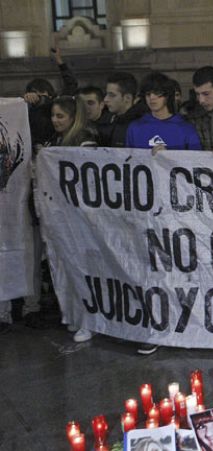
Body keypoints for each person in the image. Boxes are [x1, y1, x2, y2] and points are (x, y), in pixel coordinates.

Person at [44, 96, 97, 342]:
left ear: (73, 118)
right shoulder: (60, 140)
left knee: (83, 269)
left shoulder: (84, 139)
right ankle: (76, 316)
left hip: (81, 218)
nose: (55, 120)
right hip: (64, 215)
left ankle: (89, 320)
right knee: (67, 268)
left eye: (60, 116)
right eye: (53, 116)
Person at [126, 72, 201, 152]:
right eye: (148, 94)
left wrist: (168, 156)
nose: (152, 97)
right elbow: (127, 160)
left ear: (167, 95)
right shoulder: (134, 128)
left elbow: (195, 161)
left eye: (157, 93)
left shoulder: (186, 128)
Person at [100, 72, 147, 147]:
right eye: (106, 94)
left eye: (112, 95)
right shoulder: (110, 121)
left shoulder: (143, 126)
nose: (106, 99)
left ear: (127, 98)